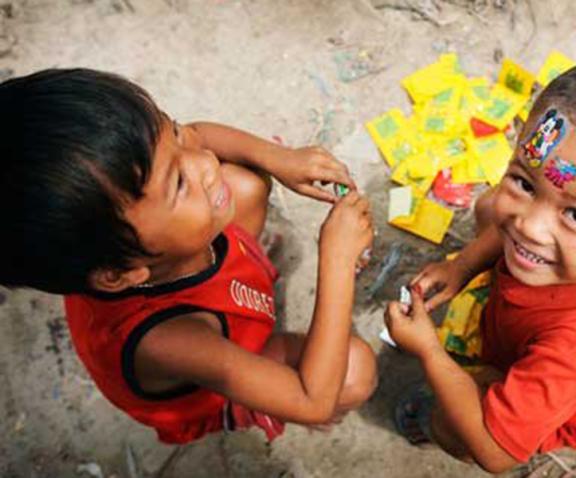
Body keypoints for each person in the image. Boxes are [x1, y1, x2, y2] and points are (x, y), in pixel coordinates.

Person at [0, 68, 377, 444]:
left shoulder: (121, 242)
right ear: (118, 274)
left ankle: (240, 266)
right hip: (214, 385)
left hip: (197, 289)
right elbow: (311, 401)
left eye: (174, 133)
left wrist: (277, 157)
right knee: (353, 373)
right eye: (179, 183)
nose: (207, 163)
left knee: (243, 184)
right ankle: (258, 402)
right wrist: (337, 261)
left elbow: (199, 134)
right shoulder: (167, 339)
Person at [384, 60, 576, 473]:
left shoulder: (574, 353)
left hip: (549, 408)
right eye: (524, 181)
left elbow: (496, 454)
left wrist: (428, 352)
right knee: (491, 208)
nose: (529, 225)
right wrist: (462, 266)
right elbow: (525, 222)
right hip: (533, 328)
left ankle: (429, 428)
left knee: (455, 424)